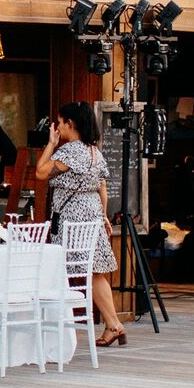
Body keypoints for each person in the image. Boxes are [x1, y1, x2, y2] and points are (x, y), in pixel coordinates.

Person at [36, 102, 124, 346]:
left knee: (68, 270)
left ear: (70, 123)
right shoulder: (94, 152)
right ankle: (113, 324)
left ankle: (59, 331)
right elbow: (102, 188)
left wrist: (51, 144)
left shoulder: (70, 151)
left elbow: (41, 173)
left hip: (73, 219)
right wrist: (103, 216)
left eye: (60, 122)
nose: (58, 127)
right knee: (94, 272)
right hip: (92, 215)